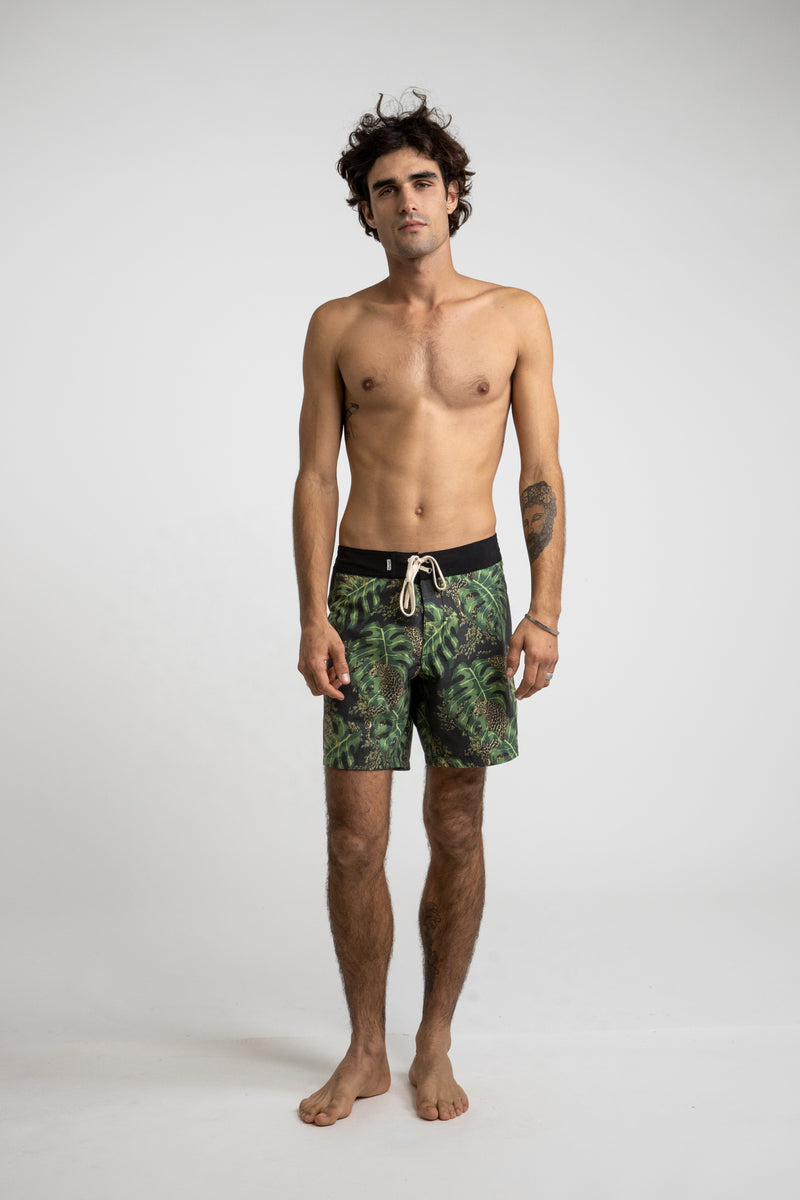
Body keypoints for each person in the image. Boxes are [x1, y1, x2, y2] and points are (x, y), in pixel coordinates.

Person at [293, 92, 565, 1125]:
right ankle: (365, 1048)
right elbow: (315, 475)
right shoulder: (336, 324)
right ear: (364, 212)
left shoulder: (514, 315)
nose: (405, 200)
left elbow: (539, 470)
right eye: (384, 189)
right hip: (362, 597)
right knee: (352, 840)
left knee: (456, 825)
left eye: (421, 181)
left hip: (471, 595)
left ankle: (433, 1040)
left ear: (453, 196)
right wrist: (312, 613)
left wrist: (544, 609)